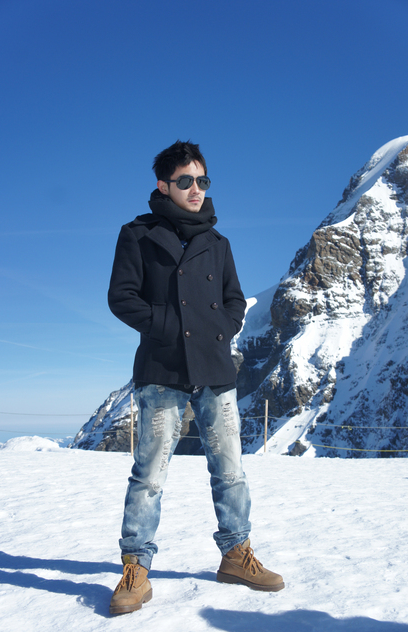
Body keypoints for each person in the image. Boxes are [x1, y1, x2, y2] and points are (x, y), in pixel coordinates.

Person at [107, 140, 284, 615]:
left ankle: (236, 555)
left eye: (202, 180)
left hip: (214, 369)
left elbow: (234, 299)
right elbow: (122, 297)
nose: (196, 189)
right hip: (162, 368)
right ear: (163, 185)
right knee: (149, 474)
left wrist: (222, 328)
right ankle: (135, 569)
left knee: (230, 470)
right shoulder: (137, 234)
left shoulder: (218, 243)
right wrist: (170, 326)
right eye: (185, 181)